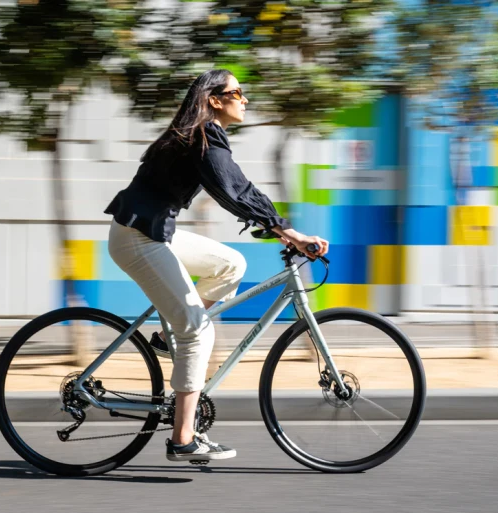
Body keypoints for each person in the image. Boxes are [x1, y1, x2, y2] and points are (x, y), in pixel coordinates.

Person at [104, 69, 329, 462]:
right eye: (237, 92)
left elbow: (240, 186)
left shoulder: (203, 134)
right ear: (213, 99)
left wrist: (281, 228)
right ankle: (182, 439)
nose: (245, 100)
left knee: (230, 264)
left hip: (154, 232)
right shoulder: (202, 135)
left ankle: (166, 339)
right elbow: (233, 190)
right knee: (198, 332)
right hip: (138, 238)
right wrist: (288, 233)